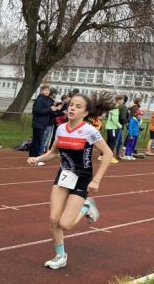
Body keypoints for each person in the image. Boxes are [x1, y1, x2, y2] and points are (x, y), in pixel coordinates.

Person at [27, 92, 114, 270]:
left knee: (65, 224)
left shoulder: (90, 131)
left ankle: (87, 207)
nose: (72, 108)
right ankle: (60, 256)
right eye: (71, 105)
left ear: (86, 112)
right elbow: (53, 153)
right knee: (53, 219)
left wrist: (96, 180)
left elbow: (108, 154)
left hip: (82, 178)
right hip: (64, 176)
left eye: (78, 106)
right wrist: (38, 158)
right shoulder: (61, 129)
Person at [30, 85, 54, 159]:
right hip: (38, 124)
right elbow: (38, 110)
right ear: (42, 91)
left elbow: (49, 112)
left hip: (43, 124)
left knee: (37, 141)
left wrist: (59, 111)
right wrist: (50, 109)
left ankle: (32, 157)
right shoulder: (40, 99)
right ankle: (35, 158)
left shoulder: (46, 99)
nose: (47, 92)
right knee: (37, 141)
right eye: (46, 90)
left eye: (48, 90)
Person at [103, 100, 121, 164]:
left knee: (109, 141)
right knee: (112, 142)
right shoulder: (115, 111)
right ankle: (109, 157)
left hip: (109, 127)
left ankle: (104, 155)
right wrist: (120, 125)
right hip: (113, 128)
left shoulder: (110, 111)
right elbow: (115, 120)